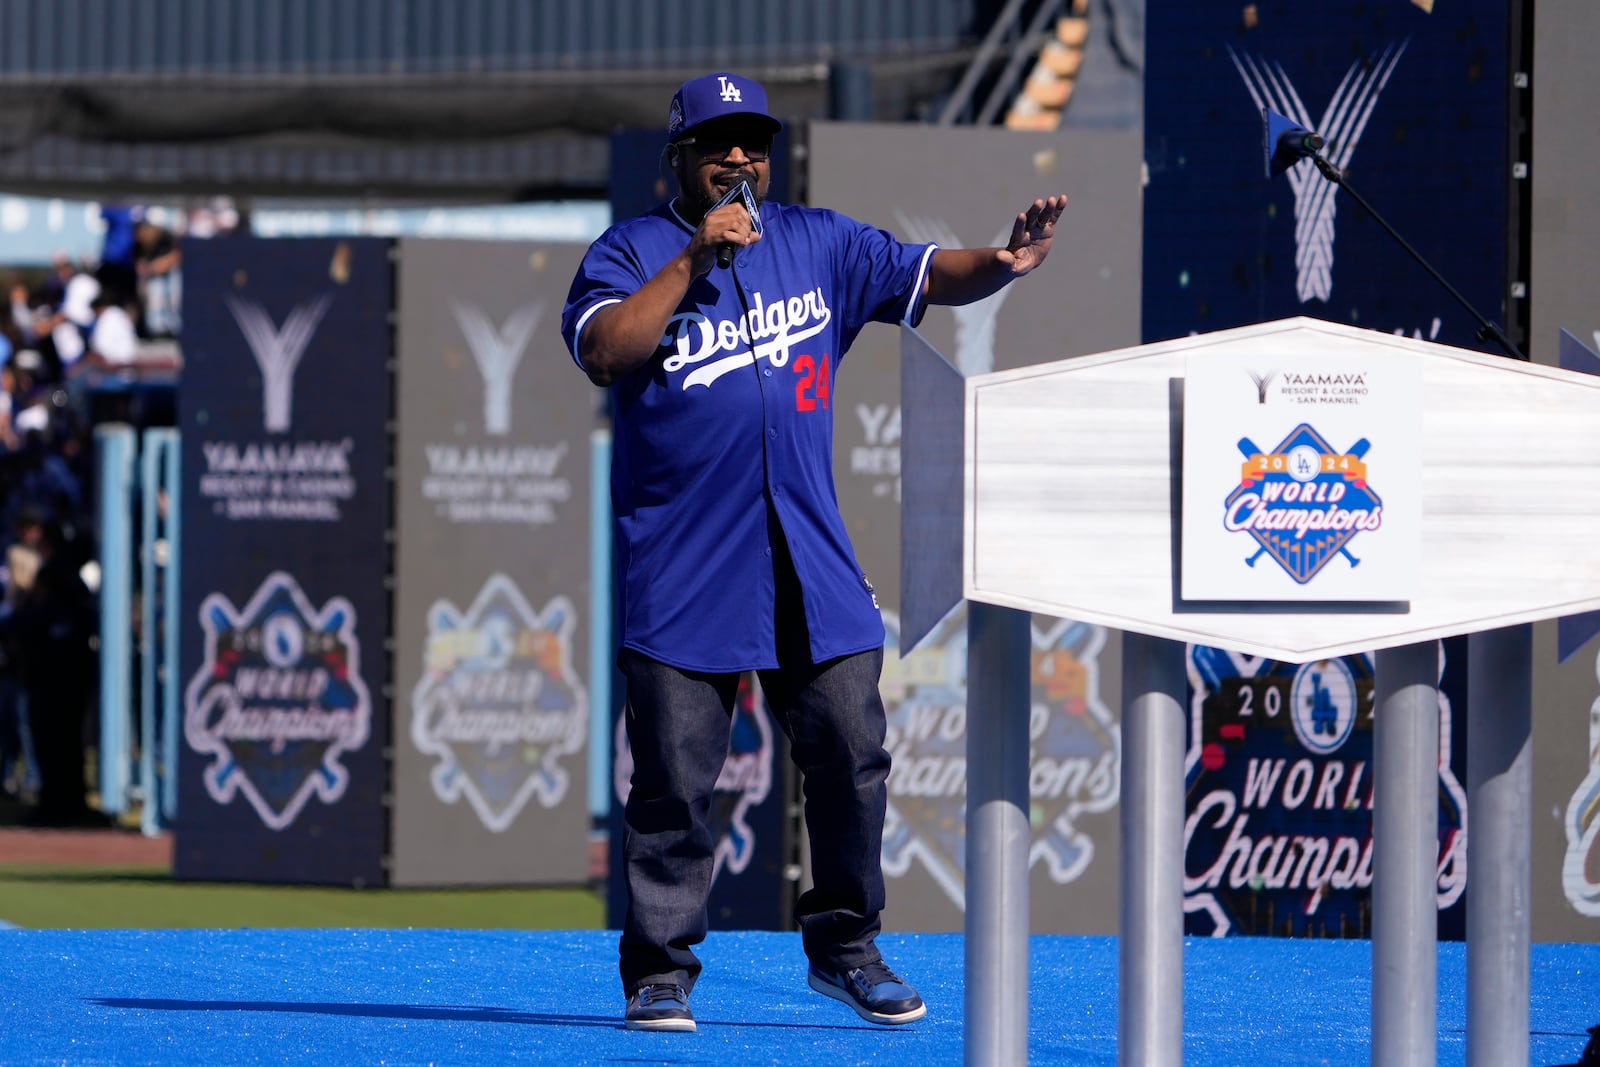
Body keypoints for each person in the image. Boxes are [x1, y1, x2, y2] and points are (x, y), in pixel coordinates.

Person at [560, 71, 1066, 1033]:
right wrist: (693, 259)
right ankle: (659, 973)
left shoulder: (818, 241)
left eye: (753, 141)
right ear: (681, 159)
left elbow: (927, 272)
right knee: (673, 783)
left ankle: (844, 947)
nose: (740, 158)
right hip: (684, 563)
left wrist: (1004, 260)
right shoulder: (629, 251)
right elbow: (608, 350)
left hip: (807, 553)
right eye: (718, 143)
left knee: (851, 751)